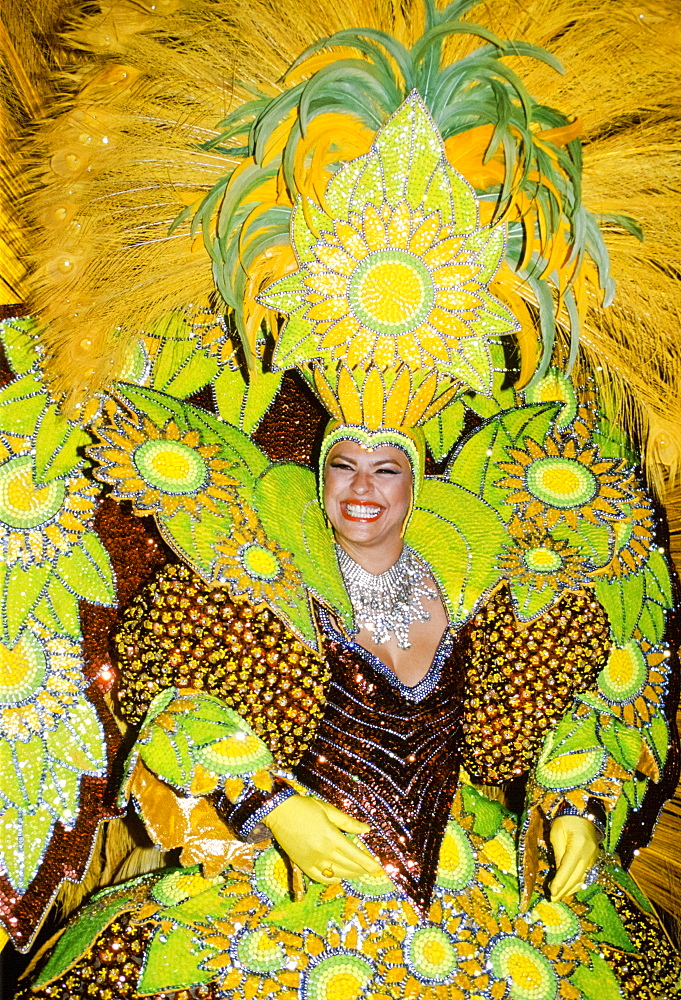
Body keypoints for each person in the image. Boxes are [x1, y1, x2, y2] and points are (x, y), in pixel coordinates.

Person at [17, 423, 680, 1000]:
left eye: (385, 469)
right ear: (318, 478)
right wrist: (271, 806)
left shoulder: (485, 587)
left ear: (414, 486)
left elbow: (563, 711)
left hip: (479, 883)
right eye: (343, 466)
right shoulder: (249, 584)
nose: (361, 488)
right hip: (294, 880)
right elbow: (176, 705)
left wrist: (573, 811)